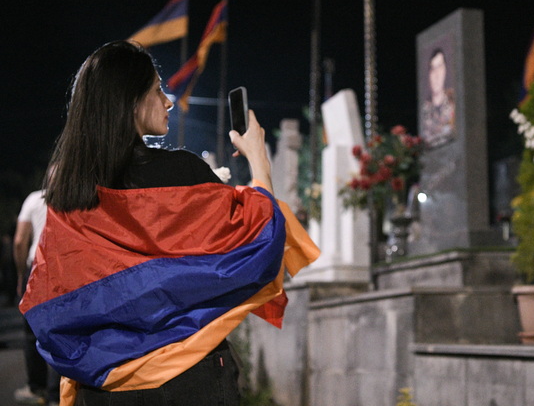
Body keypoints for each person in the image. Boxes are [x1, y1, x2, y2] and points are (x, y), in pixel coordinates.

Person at [19, 40, 319, 406]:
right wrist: (259, 161)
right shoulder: (182, 171)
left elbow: (52, 301)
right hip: (190, 382)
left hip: (102, 390)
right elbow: (257, 241)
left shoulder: (66, 198)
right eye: (158, 89)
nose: (168, 101)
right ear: (130, 101)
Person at [14, 189, 60, 406]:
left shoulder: (33, 199)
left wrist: (21, 274)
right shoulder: (71, 196)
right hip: (63, 265)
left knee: (32, 331)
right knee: (57, 330)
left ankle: (37, 387)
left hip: (36, 267)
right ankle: (56, 393)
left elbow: (19, 241)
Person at [420, 48, 455, 148]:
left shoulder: (453, 103)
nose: (436, 74)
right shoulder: (425, 110)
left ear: (445, 70)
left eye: (439, 67)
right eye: (433, 68)